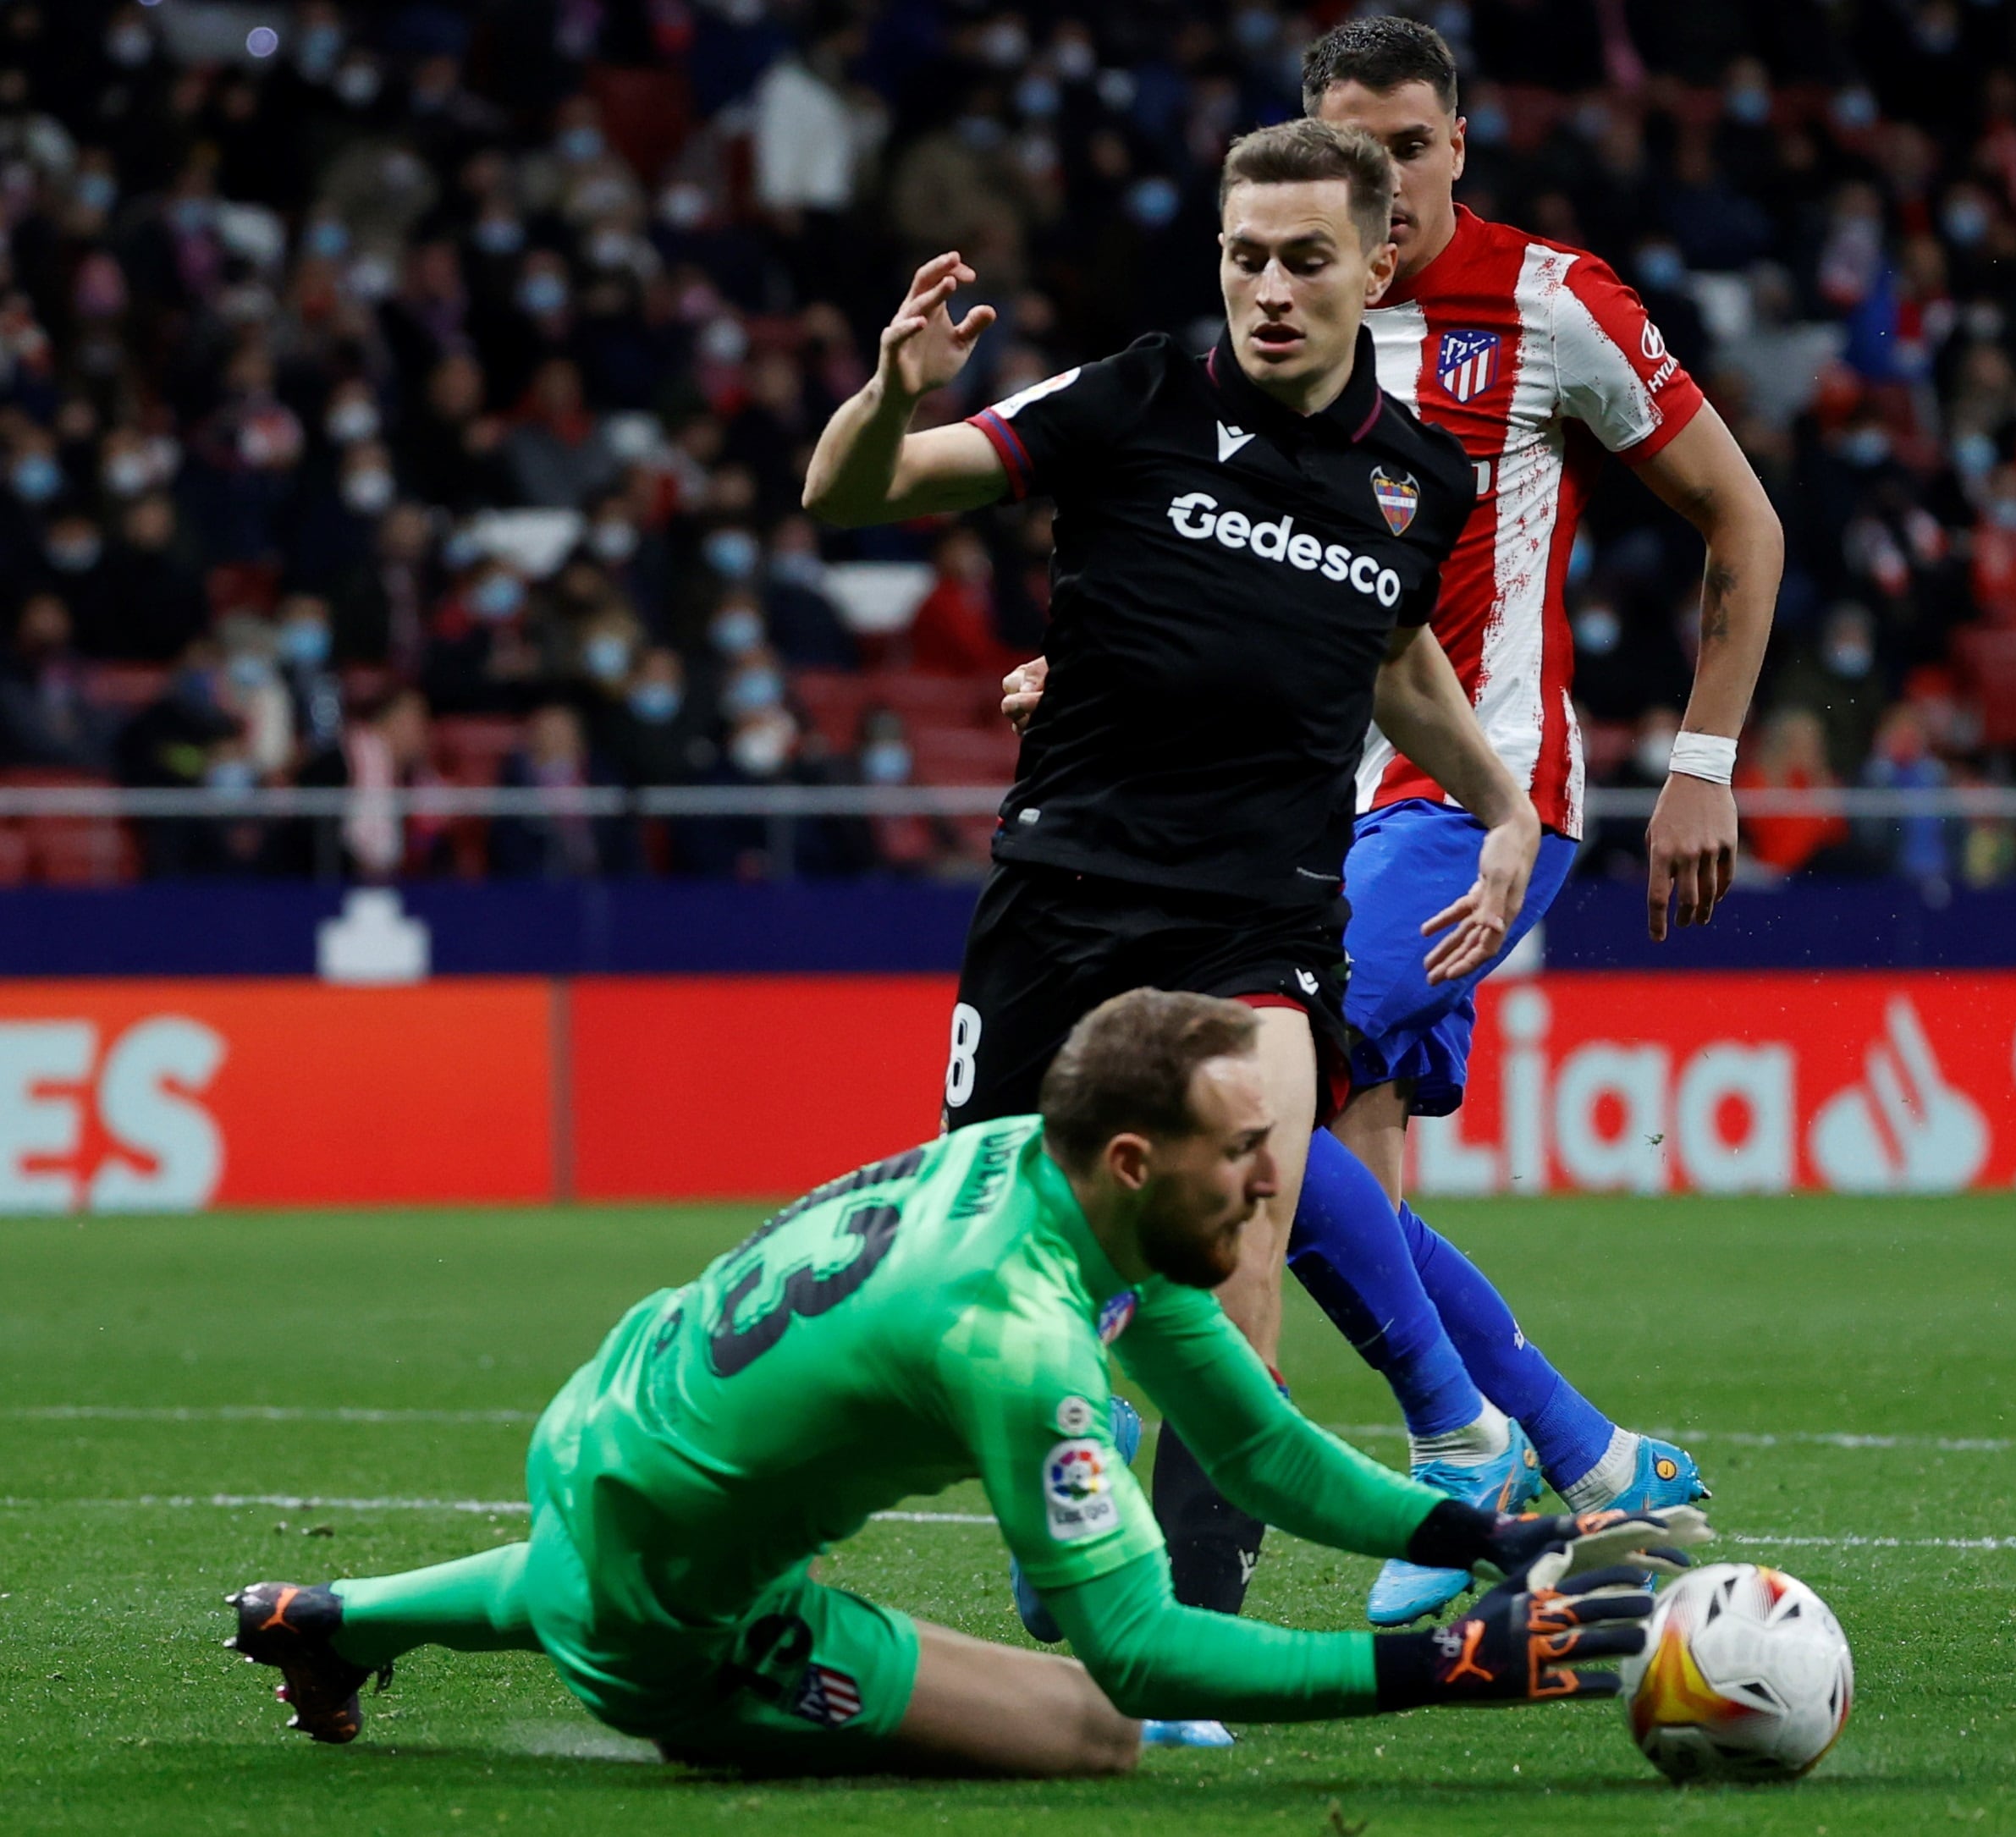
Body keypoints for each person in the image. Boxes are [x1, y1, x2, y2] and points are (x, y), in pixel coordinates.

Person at [1008, 19, 1778, 1642]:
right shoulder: (1276, 331)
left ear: (1458, 147)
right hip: (1285, 805)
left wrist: (1702, 759)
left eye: (1413, 147)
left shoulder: (1555, 303)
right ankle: (1578, 1463)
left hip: (1471, 788)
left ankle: (1511, 1444)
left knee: (1250, 1103)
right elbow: (1214, 564)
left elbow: (1742, 518)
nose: (1389, 181)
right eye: (1355, 148)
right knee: (1317, 1181)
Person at [801, 118, 1543, 1697]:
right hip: (1063, 892)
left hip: (1255, 923)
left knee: (1239, 1234)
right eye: (1243, 256)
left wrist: (1502, 802)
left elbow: (1396, 662)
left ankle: (1191, 1653)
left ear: (1377, 263)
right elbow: (857, 496)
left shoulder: (1421, 477)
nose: (1270, 288)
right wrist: (892, 394)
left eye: (1305, 258)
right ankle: (1063, 1527)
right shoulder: (1131, 397)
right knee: (992, 1270)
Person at [224, 990, 1699, 1775]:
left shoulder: (1031, 1175)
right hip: (681, 1615)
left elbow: (1254, 1446)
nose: (1278, 1178)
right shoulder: (1018, 1339)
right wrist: (1440, 1666)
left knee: (637, 1537)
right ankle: (595, 1650)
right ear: (1136, 1161)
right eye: (1245, 1150)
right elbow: (1139, 1655)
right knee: (1092, 1735)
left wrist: (1476, 1543)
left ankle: (335, 1620)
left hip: (615, 1427)